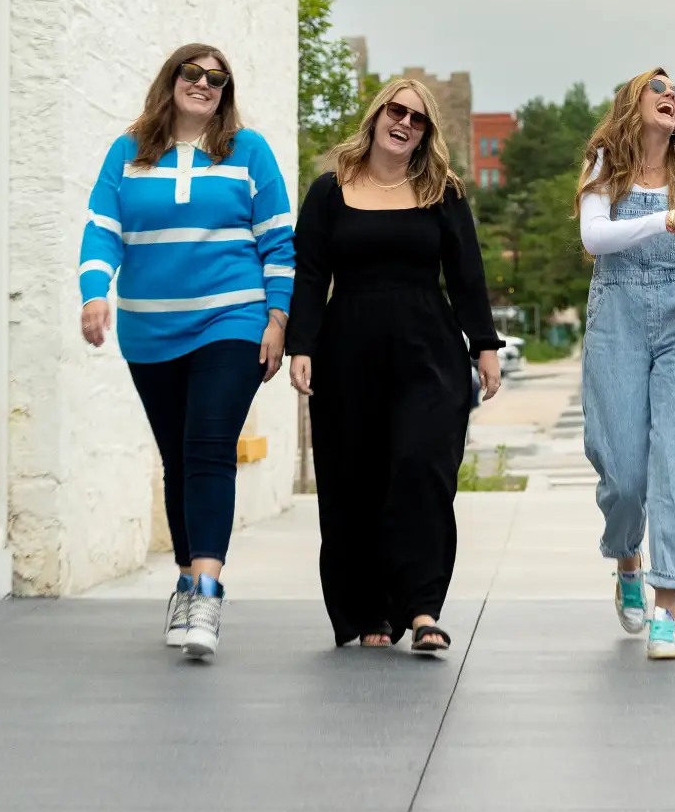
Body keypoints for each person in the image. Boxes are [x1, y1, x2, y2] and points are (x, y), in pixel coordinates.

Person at [79, 46, 294, 661]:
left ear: (226, 91)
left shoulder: (248, 151)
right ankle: (184, 580)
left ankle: (206, 590)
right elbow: (102, 229)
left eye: (216, 78)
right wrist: (94, 293)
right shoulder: (128, 153)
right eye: (192, 73)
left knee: (208, 446)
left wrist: (278, 317)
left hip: (233, 319)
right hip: (150, 330)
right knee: (177, 458)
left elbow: (279, 240)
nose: (203, 84)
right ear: (171, 80)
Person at [287, 77, 502, 653]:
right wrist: (301, 345)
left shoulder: (442, 192)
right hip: (346, 353)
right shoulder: (330, 190)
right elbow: (310, 274)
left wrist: (484, 346)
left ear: (426, 133)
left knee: (423, 468)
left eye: (417, 118)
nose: (404, 122)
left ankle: (423, 608)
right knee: (354, 478)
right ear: (377, 115)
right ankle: (371, 611)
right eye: (396, 111)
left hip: (428, 352)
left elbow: (467, 274)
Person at [577, 69, 675, 661]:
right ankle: (627, 560)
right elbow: (595, 238)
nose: (671, 98)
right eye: (658, 89)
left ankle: (667, 609)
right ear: (631, 103)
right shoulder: (605, 164)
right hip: (615, 312)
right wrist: (666, 219)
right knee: (623, 474)